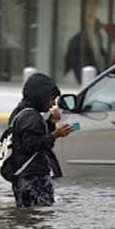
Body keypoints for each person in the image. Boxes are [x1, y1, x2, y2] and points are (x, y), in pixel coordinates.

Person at [7, 73, 74, 207]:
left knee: (27, 215)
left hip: (23, 178)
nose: (53, 103)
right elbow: (31, 146)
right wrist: (55, 135)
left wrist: (50, 123)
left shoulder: (20, 112)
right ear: (40, 96)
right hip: (33, 179)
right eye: (52, 99)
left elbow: (34, 138)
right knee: (38, 215)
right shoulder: (31, 117)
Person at [64, 0, 108, 83]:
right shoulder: (75, 41)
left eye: (95, 2)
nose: (91, 7)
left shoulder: (100, 37)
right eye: (87, 2)